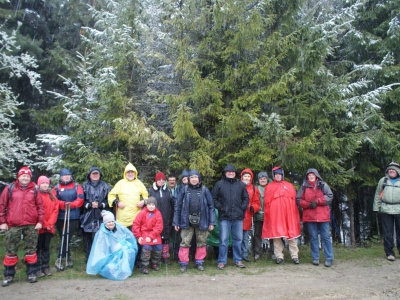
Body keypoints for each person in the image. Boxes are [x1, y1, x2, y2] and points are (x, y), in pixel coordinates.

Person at [0, 166, 44, 286]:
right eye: (23, 176)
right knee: (10, 250)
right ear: (19, 177)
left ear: (30, 177)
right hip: (13, 225)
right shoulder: (10, 188)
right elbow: (2, 205)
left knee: (31, 250)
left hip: (31, 225)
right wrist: (2, 222)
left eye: (27, 176)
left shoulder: (35, 189)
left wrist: (40, 221)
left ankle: (31, 273)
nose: (25, 178)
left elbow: (40, 207)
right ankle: (8, 275)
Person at [173, 170, 215, 272]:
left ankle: (199, 262)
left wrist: (212, 222)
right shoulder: (184, 189)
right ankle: (183, 263)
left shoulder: (205, 190)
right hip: (186, 221)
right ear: (188, 179)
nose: (194, 179)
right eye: (191, 177)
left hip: (202, 221)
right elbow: (177, 206)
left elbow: (211, 206)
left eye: (196, 177)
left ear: (199, 179)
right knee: (185, 242)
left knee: (201, 242)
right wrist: (176, 222)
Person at [212, 164, 249, 270]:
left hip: (238, 217)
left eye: (232, 172)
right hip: (224, 217)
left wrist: (242, 208)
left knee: (238, 239)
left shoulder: (241, 185)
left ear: (235, 173)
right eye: (228, 171)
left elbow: (246, 198)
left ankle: (238, 260)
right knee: (223, 240)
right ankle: (221, 261)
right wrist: (221, 208)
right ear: (224, 173)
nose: (231, 173)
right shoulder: (219, 184)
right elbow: (213, 198)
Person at [262, 166, 301, 264]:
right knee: (276, 235)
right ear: (273, 176)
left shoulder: (289, 186)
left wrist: (292, 214)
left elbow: (294, 202)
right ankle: (279, 256)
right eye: (276, 175)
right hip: (275, 215)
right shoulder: (269, 187)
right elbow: (266, 203)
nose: (278, 176)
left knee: (291, 235)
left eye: (279, 174)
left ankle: (294, 256)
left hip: (288, 215)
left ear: (282, 175)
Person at [296, 168, 334, 267]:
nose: (311, 176)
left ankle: (329, 258)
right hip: (310, 217)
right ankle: (315, 258)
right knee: (313, 238)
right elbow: (298, 200)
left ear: (316, 175)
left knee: (325, 237)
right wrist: (308, 204)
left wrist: (317, 201)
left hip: (323, 216)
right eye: (309, 175)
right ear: (307, 176)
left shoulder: (323, 185)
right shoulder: (304, 187)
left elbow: (330, 196)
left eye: (313, 175)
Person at [87, 210, 138, 280]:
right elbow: (100, 249)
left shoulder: (119, 227)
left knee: (128, 250)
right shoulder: (101, 233)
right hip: (108, 255)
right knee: (110, 267)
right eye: (108, 222)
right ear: (105, 223)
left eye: (112, 221)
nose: (111, 223)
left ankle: (125, 270)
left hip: (120, 250)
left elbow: (128, 236)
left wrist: (123, 244)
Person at [53, 168, 84, 270]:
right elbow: (54, 200)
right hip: (60, 216)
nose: (66, 177)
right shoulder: (57, 187)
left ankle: (59, 258)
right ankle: (68, 257)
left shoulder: (76, 186)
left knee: (67, 237)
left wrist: (71, 205)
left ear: (71, 176)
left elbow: (80, 199)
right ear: (61, 177)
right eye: (64, 175)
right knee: (63, 237)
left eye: (68, 175)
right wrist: (63, 204)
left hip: (73, 215)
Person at [81, 166, 111, 261]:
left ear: (99, 175)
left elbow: (109, 201)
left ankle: (101, 257)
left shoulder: (105, 186)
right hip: (88, 215)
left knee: (102, 237)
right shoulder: (84, 186)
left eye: (96, 173)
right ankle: (89, 257)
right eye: (93, 174)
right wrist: (89, 205)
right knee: (88, 237)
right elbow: (80, 201)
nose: (95, 175)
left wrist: (100, 205)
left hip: (101, 215)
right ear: (89, 175)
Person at [108, 163, 148, 229]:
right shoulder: (120, 183)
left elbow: (146, 195)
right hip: (123, 219)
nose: (130, 174)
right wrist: (117, 202)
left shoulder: (139, 183)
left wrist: (143, 201)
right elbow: (111, 195)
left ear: (135, 173)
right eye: (128, 172)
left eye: (132, 172)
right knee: (123, 238)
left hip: (136, 218)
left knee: (135, 238)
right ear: (125, 173)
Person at [373, 161, 400, 261]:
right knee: (388, 232)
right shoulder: (383, 181)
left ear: (397, 171)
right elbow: (378, 195)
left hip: (399, 209)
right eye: (390, 169)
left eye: (393, 169)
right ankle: (389, 253)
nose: (391, 170)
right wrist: (376, 208)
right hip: (386, 209)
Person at [148, 172, 174, 264]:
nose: (161, 181)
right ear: (156, 180)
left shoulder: (168, 190)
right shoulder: (151, 190)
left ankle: (165, 256)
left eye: (163, 180)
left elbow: (172, 204)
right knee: (155, 237)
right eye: (159, 180)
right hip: (154, 218)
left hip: (166, 217)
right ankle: (155, 257)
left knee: (166, 238)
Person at [36, 176, 59, 277]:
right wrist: (44, 223)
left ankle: (45, 267)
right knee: (37, 248)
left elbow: (55, 210)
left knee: (46, 248)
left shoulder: (52, 196)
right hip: (39, 226)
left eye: (46, 183)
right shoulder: (35, 195)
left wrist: (50, 223)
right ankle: (37, 268)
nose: (45, 185)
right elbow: (36, 210)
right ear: (39, 184)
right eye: (43, 183)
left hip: (49, 227)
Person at [132, 197, 163, 274]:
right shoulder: (142, 213)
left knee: (158, 249)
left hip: (155, 235)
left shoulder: (158, 213)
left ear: (155, 205)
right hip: (144, 235)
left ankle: (154, 263)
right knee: (146, 249)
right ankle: (144, 266)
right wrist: (138, 236)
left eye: (153, 205)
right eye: (149, 204)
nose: (151, 206)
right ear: (146, 205)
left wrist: (151, 236)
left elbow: (159, 227)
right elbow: (136, 224)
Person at [240, 168, 260, 262]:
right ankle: (237, 254)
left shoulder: (254, 188)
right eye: (245, 176)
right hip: (237, 215)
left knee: (245, 237)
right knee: (237, 236)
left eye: (248, 176)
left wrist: (253, 208)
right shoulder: (237, 186)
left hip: (248, 215)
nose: (247, 178)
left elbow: (257, 202)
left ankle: (245, 254)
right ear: (242, 177)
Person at [254, 172, 275, 260]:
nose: (262, 180)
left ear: (267, 179)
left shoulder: (271, 188)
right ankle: (257, 252)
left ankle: (273, 252)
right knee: (257, 234)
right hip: (258, 215)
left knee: (272, 235)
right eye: (261, 179)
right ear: (258, 180)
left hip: (270, 216)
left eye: (264, 178)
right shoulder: (256, 189)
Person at [172, 169, 189, 260]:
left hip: (190, 216)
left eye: (186, 178)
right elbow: (175, 201)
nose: (185, 179)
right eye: (183, 178)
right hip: (180, 215)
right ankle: (177, 255)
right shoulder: (178, 188)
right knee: (179, 237)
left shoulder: (192, 187)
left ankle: (190, 255)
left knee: (190, 238)